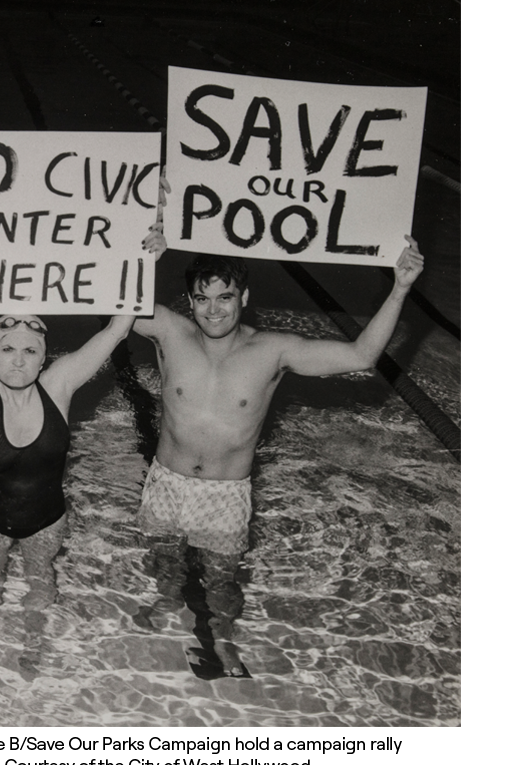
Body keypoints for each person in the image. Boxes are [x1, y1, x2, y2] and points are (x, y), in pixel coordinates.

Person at [129, 236, 425, 676]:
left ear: (244, 298)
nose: (214, 310)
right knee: (164, 557)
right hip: (166, 483)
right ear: (189, 301)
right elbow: (109, 296)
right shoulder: (169, 330)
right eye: (203, 299)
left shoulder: (273, 350)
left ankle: (224, 636)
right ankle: (167, 596)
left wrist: (400, 288)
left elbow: (361, 355)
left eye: (225, 297)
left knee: (223, 579)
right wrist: (140, 256)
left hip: (225, 496)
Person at [0, 228, 169, 612]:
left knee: (41, 587)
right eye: (8, 349)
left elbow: (116, 330)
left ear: (43, 357)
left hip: (47, 524)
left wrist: (148, 261)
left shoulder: (58, 385)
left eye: (30, 351)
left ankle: (33, 643)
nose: (18, 360)